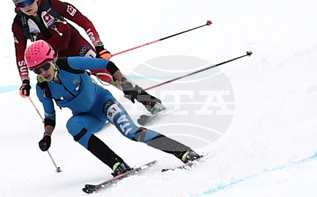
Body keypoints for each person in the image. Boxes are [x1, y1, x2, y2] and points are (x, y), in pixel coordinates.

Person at [27, 40, 200, 175]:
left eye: (45, 66)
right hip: (89, 118)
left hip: (104, 103)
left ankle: (183, 152)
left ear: (53, 60)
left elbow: (106, 64)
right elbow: (50, 116)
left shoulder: (70, 64)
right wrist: (47, 136)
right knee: (72, 125)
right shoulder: (43, 89)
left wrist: (124, 83)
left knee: (131, 132)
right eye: (36, 71)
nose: (43, 73)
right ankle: (117, 164)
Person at [11, 0, 165, 115]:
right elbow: (20, 55)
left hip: (75, 43)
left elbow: (84, 22)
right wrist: (24, 80)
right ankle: (98, 108)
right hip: (56, 58)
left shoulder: (51, 4)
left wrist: (99, 46)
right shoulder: (19, 25)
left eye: (29, 1)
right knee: (73, 84)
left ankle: (148, 101)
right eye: (20, 5)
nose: (26, 7)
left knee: (105, 74)